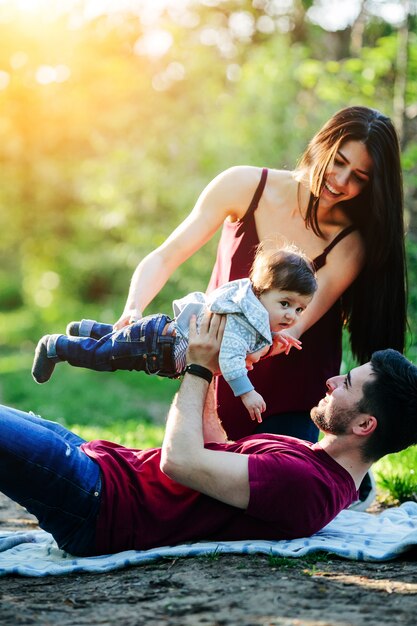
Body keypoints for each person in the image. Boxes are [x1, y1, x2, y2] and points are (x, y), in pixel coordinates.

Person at [1, 313, 416, 557]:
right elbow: (216, 444)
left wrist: (196, 369)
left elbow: (180, 461)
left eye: (345, 383)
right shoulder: (316, 462)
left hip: (99, 503)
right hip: (100, 465)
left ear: (365, 426)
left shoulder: (306, 485)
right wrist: (217, 370)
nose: (330, 380)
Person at [113, 106, 407, 449]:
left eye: (359, 176)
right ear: (320, 144)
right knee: (194, 484)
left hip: (292, 391)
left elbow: (290, 329)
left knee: (271, 492)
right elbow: (166, 256)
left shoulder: (350, 241)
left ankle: (343, 467)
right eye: (338, 162)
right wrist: (133, 310)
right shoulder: (244, 185)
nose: (341, 182)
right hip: (215, 371)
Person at [32, 244, 317, 421]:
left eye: (299, 309)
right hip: (157, 345)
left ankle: (86, 330)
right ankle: (56, 345)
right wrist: (247, 393)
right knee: (104, 357)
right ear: (260, 292)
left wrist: (272, 337)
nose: (291, 315)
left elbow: (241, 347)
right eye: (284, 304)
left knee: (118, 346)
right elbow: (231, 359)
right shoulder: (241, 321)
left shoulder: (250, 313)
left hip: (158, 341)